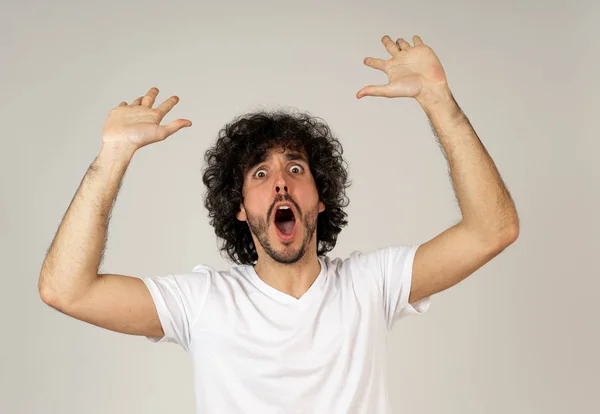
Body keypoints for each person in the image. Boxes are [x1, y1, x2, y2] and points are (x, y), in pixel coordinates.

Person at [38, 34, 519, 413]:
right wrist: (114, 155)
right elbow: (66, 289)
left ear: (320, 197)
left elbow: (492, 229)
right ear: (240, 208)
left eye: (295, 169)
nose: (281, 186)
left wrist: (439, 101)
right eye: (260, 175)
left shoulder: (372, 284)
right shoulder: (203, 303)